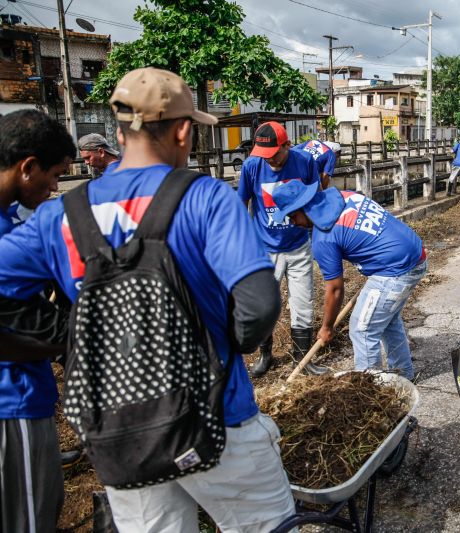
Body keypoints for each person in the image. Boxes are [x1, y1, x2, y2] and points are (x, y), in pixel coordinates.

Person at [0, 68, 296, 532]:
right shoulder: (205, 198)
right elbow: (258, 304)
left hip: (122, 431)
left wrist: (72, 334)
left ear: (118, 131)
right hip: (218, 418)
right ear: (182, 130)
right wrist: (226, 347)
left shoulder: (61, 214)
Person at [0, 109, 74, 533]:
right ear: (27, 167)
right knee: (30, 518)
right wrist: (71, 338)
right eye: (54, 175)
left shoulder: (10, 221)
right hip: (13, 399)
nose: (54, 186)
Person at [271, 180, 427, 380]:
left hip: (396, 270)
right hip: (414, 254)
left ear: (305, 207)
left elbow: (335, 289)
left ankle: (371, 392)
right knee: (386, 320)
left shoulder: (324, 237)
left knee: (363, 329)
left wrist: (326, 327)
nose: (293, 222)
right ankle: (404, 376)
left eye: (292, 215)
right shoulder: (346, 196)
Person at [238, 121, 327, 377]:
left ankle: (302, 361)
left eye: (275, 153)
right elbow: (241, 203)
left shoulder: (305, 162)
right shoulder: (252, 166)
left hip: (298, 245)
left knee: (303, 303)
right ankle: (266, 354)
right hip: (264, 249)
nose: (271, 160)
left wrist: (317, 232)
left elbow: (316, 199)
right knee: (265, 306)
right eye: (265, 155)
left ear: (287, 144)